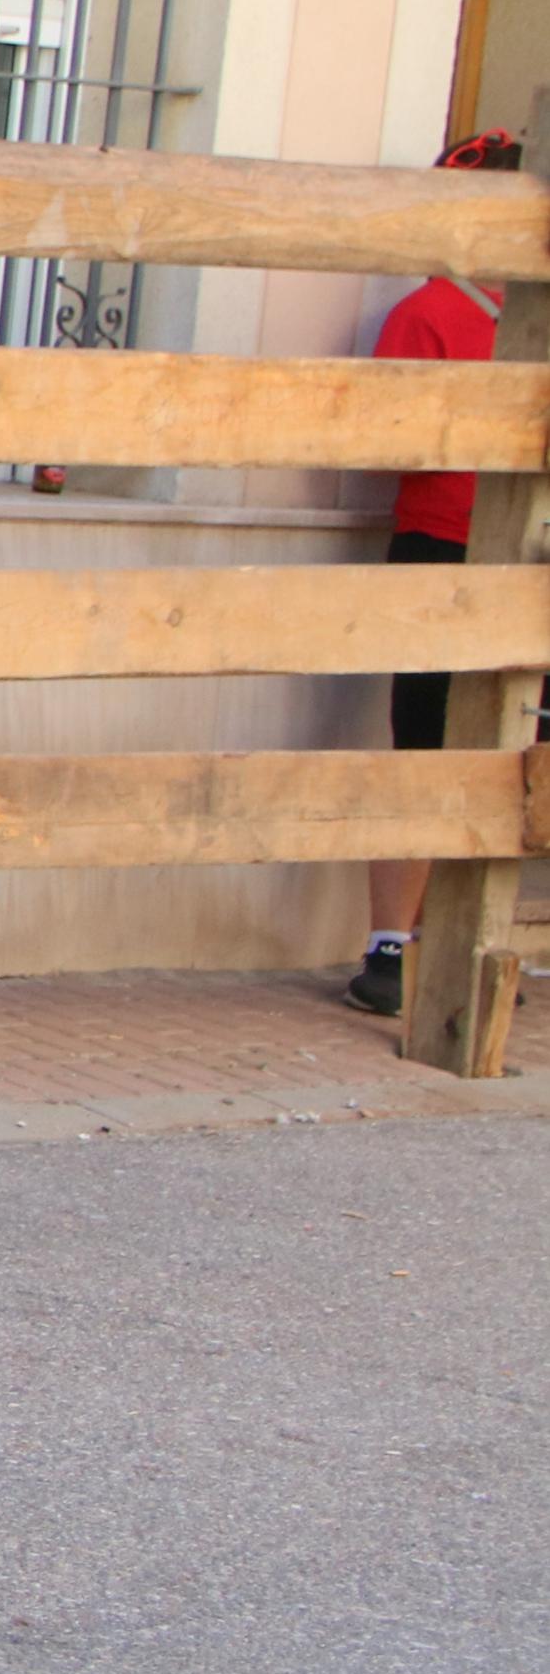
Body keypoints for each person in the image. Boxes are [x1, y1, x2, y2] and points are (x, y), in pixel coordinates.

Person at [347, 128, 524, 1016]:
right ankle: (394, 942)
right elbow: (389, 441)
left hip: (511, 554)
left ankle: (463, 939)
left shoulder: (431, 311)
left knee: (500, 755)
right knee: (423, 749)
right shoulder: (424, 313)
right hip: (443, 546)